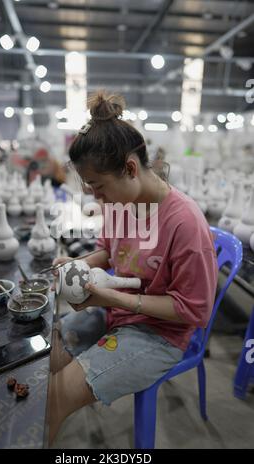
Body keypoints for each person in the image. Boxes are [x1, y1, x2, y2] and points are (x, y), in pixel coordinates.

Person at [48, 91, 218, 445]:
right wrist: (77, 265)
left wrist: (112, 300)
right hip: (117, 315)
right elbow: (107, 251)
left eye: (99, 187)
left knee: (55, 396)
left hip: (161, 334)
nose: (97, 198)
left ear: (130, 168)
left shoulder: (185, 224)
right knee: (48, 353)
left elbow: (195, 310)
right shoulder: (121, 203)